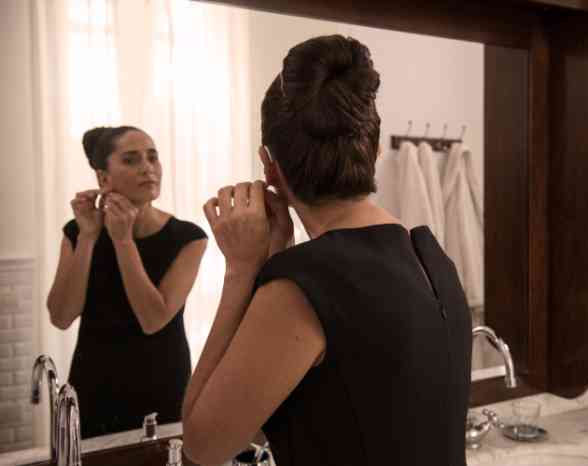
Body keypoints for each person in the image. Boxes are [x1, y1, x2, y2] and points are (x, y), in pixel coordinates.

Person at [182, 35, 471, 466]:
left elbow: (203, 445)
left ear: (269, 167)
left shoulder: (301, 287)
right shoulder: (433, 259)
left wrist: (242, 270)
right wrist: (279, 257)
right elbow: (267, 413)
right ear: (372, 151)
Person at [46, 126, 208, 438]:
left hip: (161, 391)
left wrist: (123, 242)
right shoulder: (78, 231)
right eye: (131, 160)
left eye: (152, 157)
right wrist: (89, 238)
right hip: (93, 389)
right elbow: (61, 316)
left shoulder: (188, 238)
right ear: (103, 179)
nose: (148, 167)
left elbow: (153, 319)